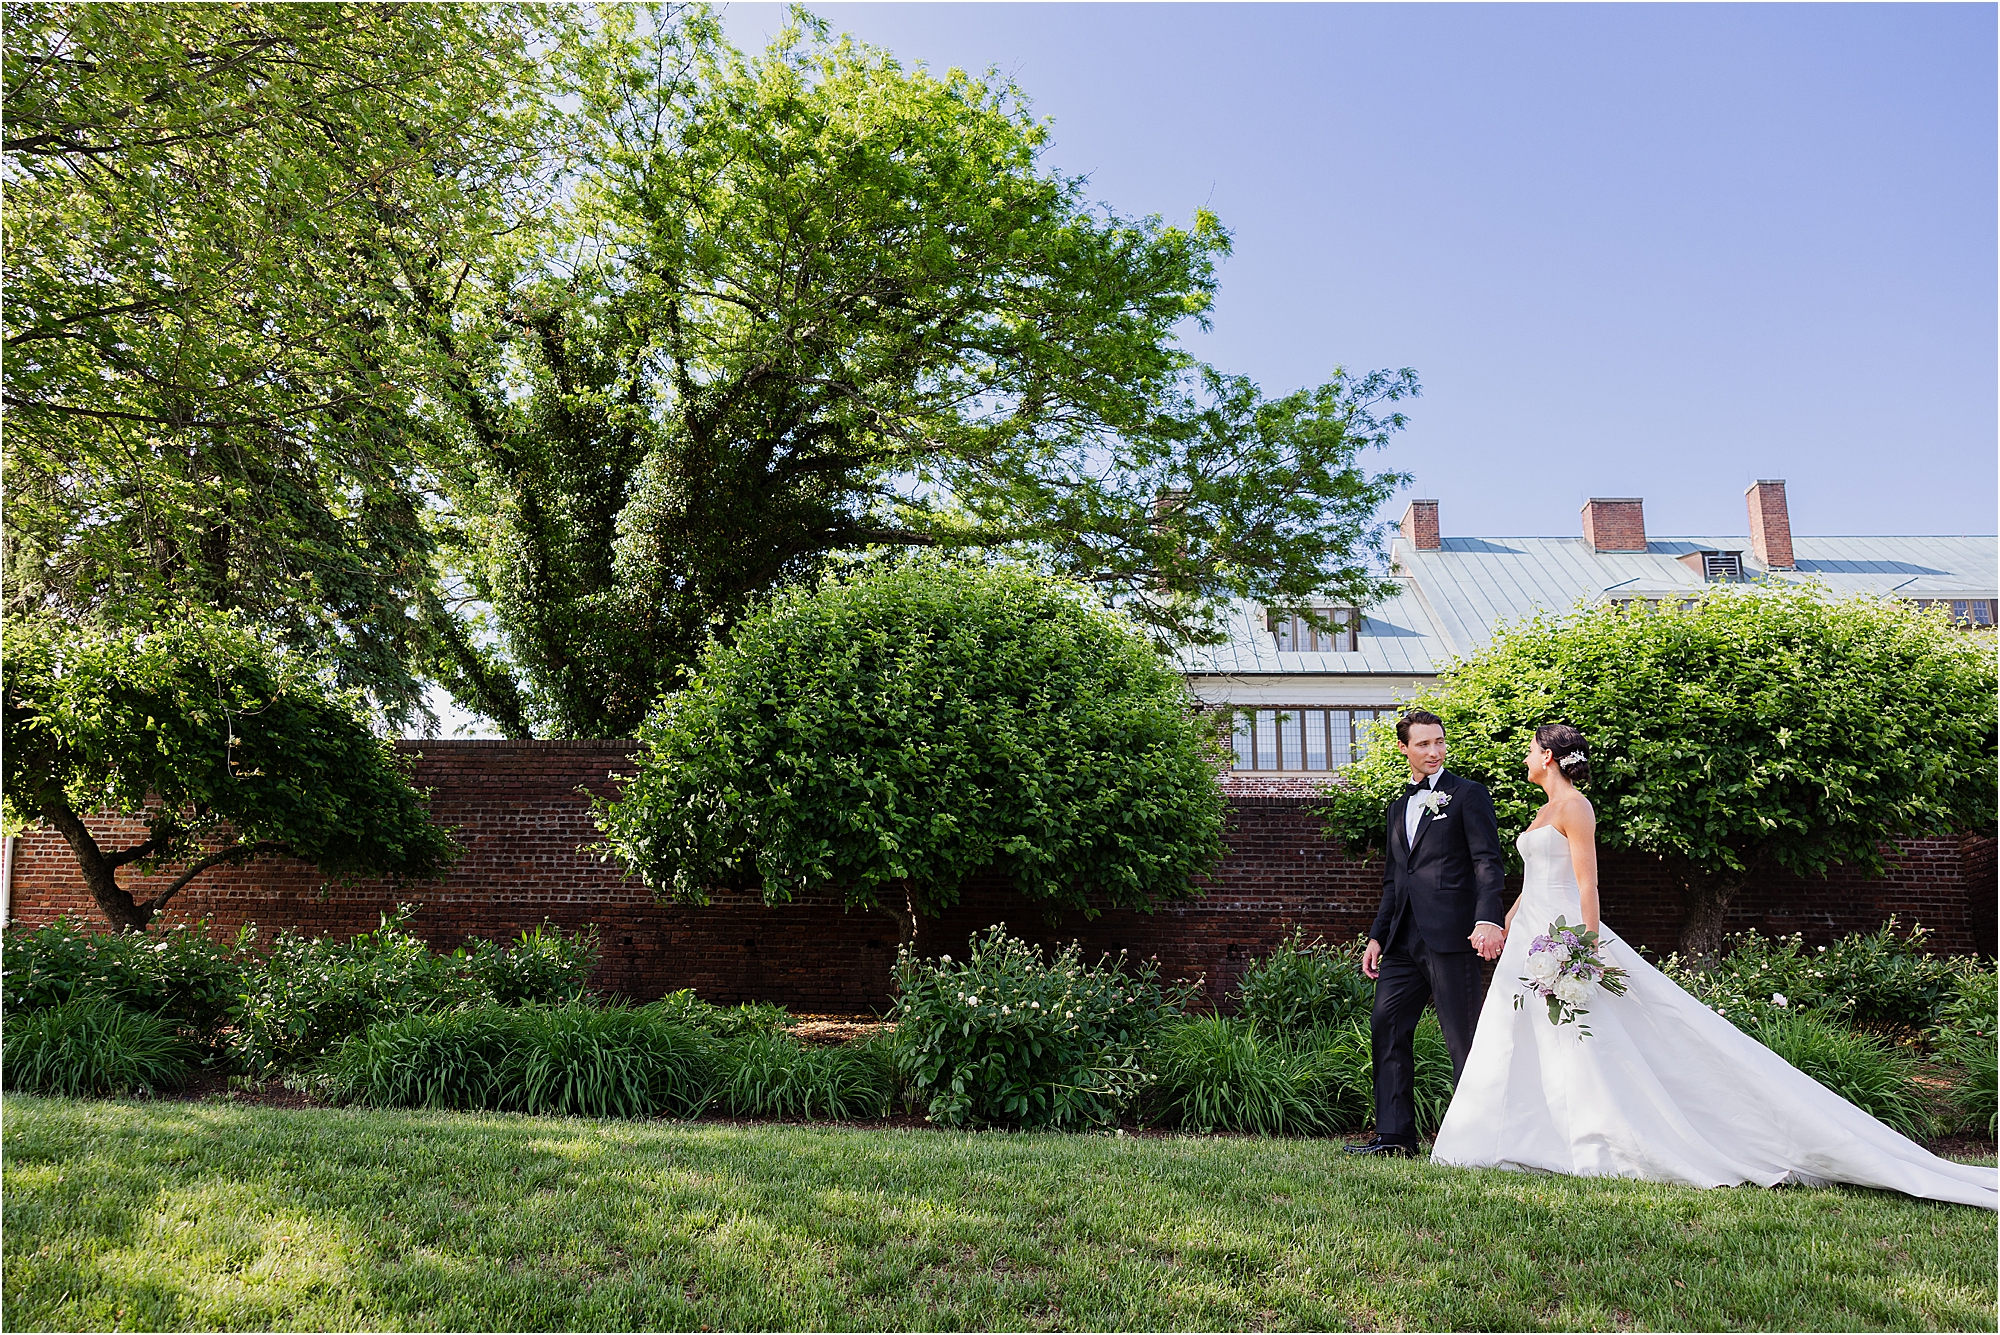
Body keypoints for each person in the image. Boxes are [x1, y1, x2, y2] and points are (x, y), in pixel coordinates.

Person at [1430, 723, 1996, 1210]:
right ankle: (1511, 1135)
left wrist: (1585, 947)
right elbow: (1532, 885)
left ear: (1549, 756)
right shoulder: (1543, 809)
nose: (1526, 759)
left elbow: (1586, 883)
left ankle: (1598, 1140)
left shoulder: (1576, 806)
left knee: (1593, 1040)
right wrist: (1504, 923)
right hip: (1531, 934)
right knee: (1516, 1035)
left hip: (1565, 938)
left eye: (1531, 751)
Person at [1346, 710, 1508, 1158]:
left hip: (1453, 935)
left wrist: (1488, 918)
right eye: (1423, 744)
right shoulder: (1399, 807)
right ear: (1405, 749)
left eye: (1439, 742)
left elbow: (1487, 863)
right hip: (1402, 940)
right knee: (1387, 1024)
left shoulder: (1468, 795)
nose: (1434, 752)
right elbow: (1394, 879)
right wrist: (1377, 936)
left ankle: (1476, 1141)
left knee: (1462, 1037)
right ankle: (1395, 1137)